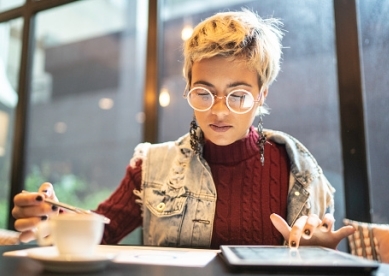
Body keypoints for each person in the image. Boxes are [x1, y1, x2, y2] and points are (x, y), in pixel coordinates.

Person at [12, 9, 354, 250]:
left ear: (262, 94)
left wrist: (320, 250)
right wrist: (53, 217)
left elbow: (318, 245)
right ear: (188, 87)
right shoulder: (151, 166)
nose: (219, 111)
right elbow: (102, 231)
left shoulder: (299, 170)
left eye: (238, 95)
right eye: (204, 93)